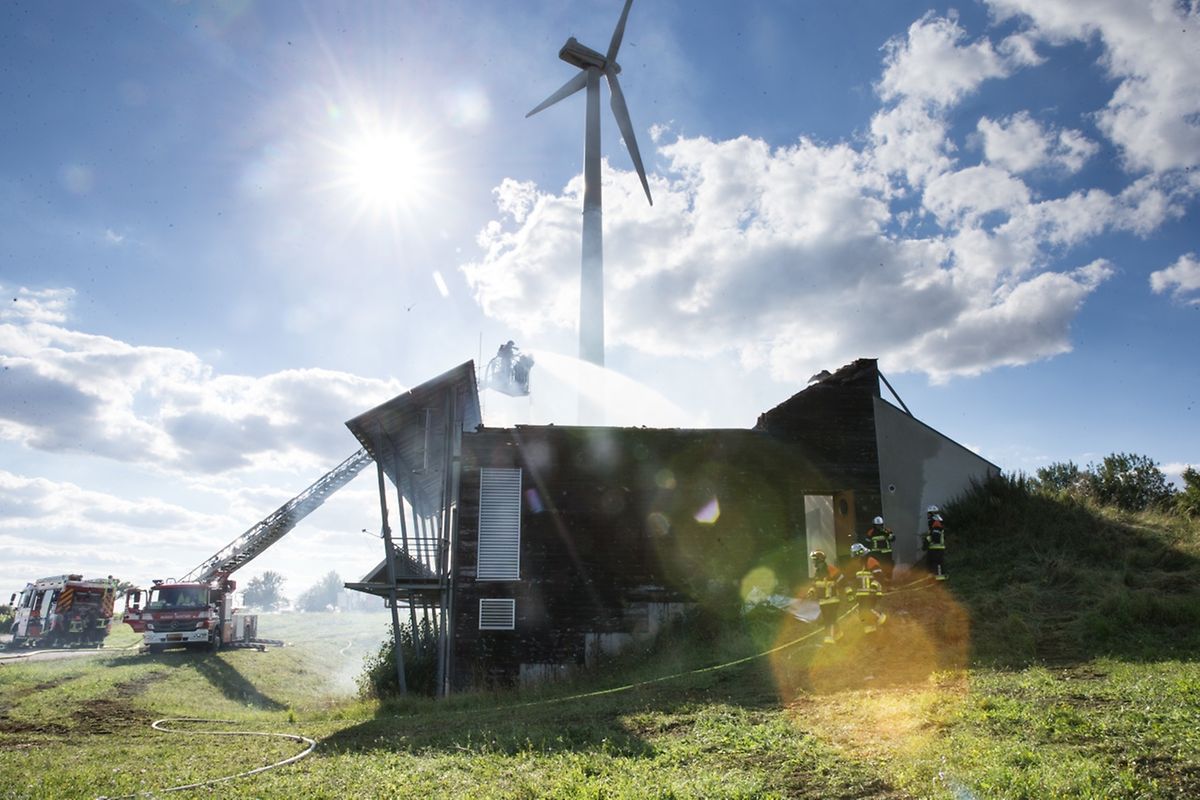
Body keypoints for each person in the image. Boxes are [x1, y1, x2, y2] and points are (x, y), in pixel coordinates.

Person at [806, 550, 845, 644]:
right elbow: (815, 584)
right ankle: (839, 636)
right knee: (829, 619)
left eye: (814, 560)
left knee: (830, 619)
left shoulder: (831, 569)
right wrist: (811, 591)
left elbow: (842, 580)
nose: (813, 563)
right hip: (823, 601)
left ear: (820, 560)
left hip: (832, 599)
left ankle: (829, 639)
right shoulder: (817, 572)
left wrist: (848, 592)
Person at [849, 543, 887, 632]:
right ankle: (870, 632)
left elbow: (879, 576)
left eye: (856, 555)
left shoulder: (870, 561)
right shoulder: (860, 564)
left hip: (871, 593)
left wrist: (873, 588)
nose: (854, 558)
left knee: (867, 610)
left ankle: (883, 621)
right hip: (862, 594)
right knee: (862, 614)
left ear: (860, 554)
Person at [862, 515, 896, 585]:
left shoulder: (887, 530)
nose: (879, 527)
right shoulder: (871, 532)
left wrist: (888, 534)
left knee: (889, 566)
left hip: (886, 552)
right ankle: (877, 581)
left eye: (880, 525)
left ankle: (888, 583)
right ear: (874, 525)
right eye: (877, 525)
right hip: (876, 553)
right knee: (875, 566)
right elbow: (866, 541)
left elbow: (893, 538)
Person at [922, 504, 947, 580]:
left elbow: (935, 536)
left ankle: (939, 580)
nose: (928, 516)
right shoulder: (935, 522)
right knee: (930, 563)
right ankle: (931, 579)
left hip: (937, 548)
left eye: (929, 514)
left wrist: (927, 540)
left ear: (932, 513)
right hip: (933, 547)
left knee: (937, 563)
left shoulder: (936, 522)